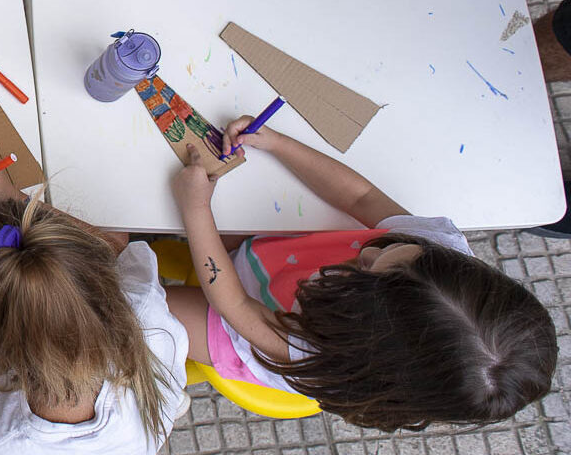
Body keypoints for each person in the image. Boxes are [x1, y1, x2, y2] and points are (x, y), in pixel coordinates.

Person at [167, 117, 558, 431]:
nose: (368, 250)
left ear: (369, 327)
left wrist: (197, 210)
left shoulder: (330, 353)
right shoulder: (437, 251)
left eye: (363, 269)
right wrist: (277, 143)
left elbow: (236, 305)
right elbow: (361, 197)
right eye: (389, 249)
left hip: (244, 332)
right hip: (273, 264)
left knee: (140, 306)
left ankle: (155, 373)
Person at [0, 159, 189, 454]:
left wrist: (10, 201)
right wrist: (16, 198)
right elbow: (112, 247)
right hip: (143, 419)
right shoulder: (145, 317)